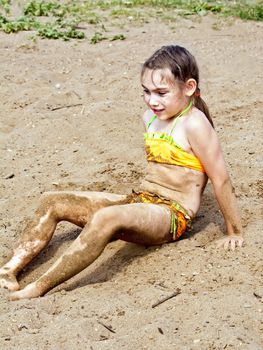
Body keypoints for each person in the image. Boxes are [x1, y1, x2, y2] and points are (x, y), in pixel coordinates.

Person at [0, 45, 243, 300]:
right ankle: (9, 269)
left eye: (161, 92)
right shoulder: (150, 117)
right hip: (142, 200)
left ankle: (38, 287)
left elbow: (221, 178)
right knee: (53, 200)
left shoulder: (195, 123)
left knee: (106, 218)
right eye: (146, 92)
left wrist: (234, 231)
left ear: (189, 87)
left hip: (171, 215)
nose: (152, 100)